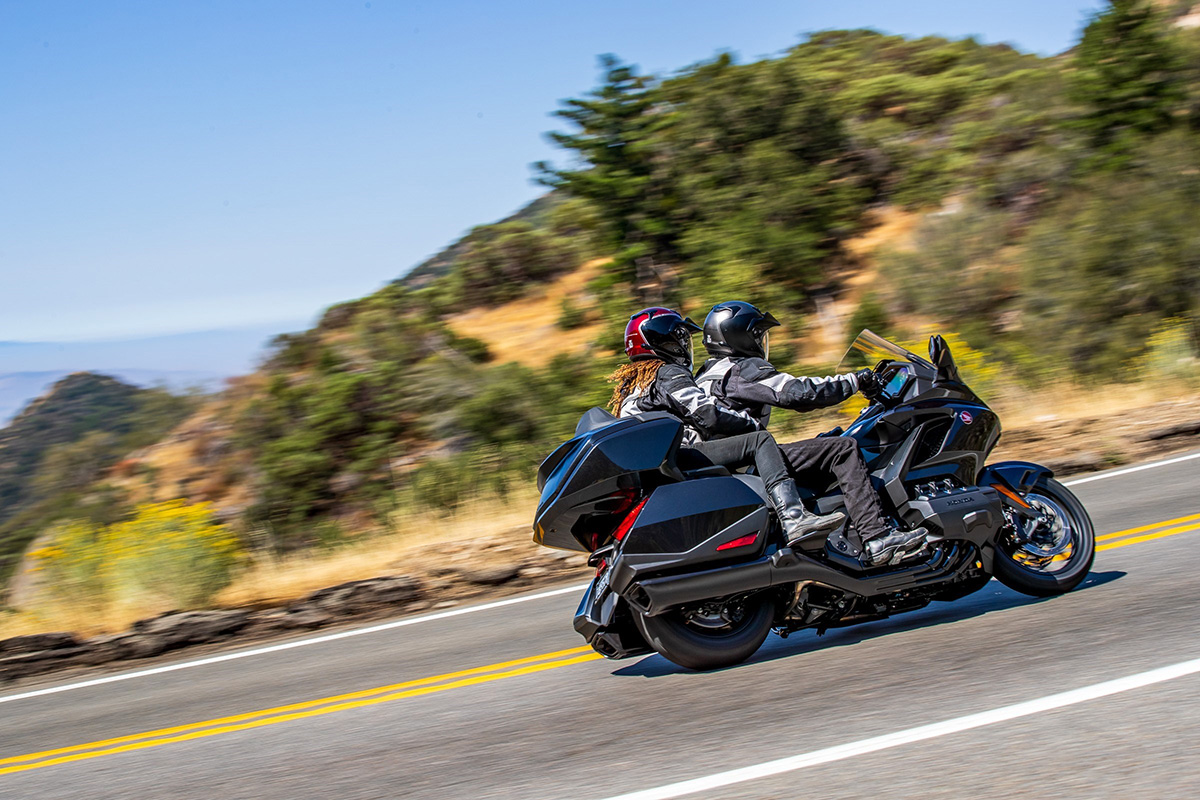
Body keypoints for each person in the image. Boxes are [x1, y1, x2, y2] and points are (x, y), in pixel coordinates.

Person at [696, 300, 927, 566]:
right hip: (751, 461)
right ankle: (877, 537)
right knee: (842, 448)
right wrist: (856, 380)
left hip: (729, 461)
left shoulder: (707, 373)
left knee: (826, 440)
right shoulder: (742, 369)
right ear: (739, 336)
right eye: (758, 334)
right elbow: (799, 393)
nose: (761, 341)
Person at [609, 306, 845, 543]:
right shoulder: (666, 373)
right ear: (662, 342)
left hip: (658, 464)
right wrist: (750, 424)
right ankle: (793, 516)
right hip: (681, 456)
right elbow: (706, 413)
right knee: (759, 441)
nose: (684, 345)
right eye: (680, 338)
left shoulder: (631, 384)